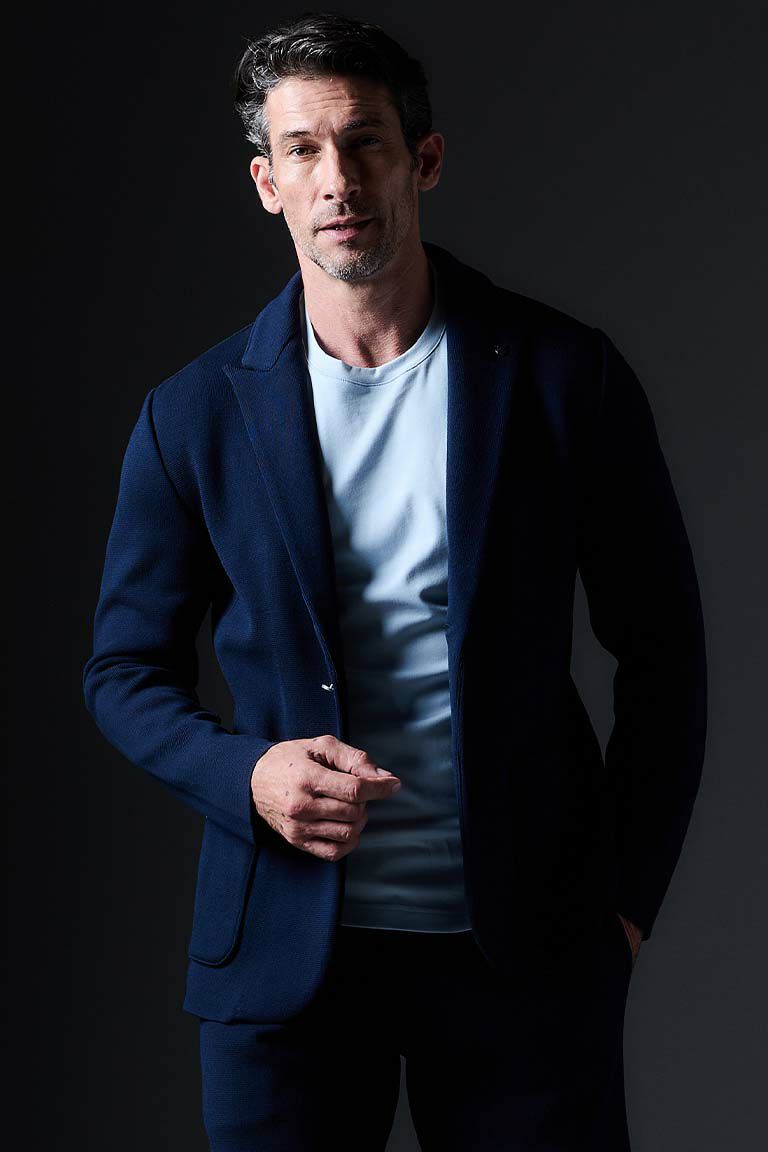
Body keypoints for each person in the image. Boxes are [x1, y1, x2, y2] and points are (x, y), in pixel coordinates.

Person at [82, 11, 707, 1151]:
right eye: (304, 151)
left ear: (424, 159)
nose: (339, 179)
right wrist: (247, 772)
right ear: (267, 184)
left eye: (365, 141)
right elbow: (122, 673)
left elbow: (666, 653)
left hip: (528, 959)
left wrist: (624, 904)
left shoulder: (564, 376)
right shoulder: (194, 414)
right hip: (285, 963)